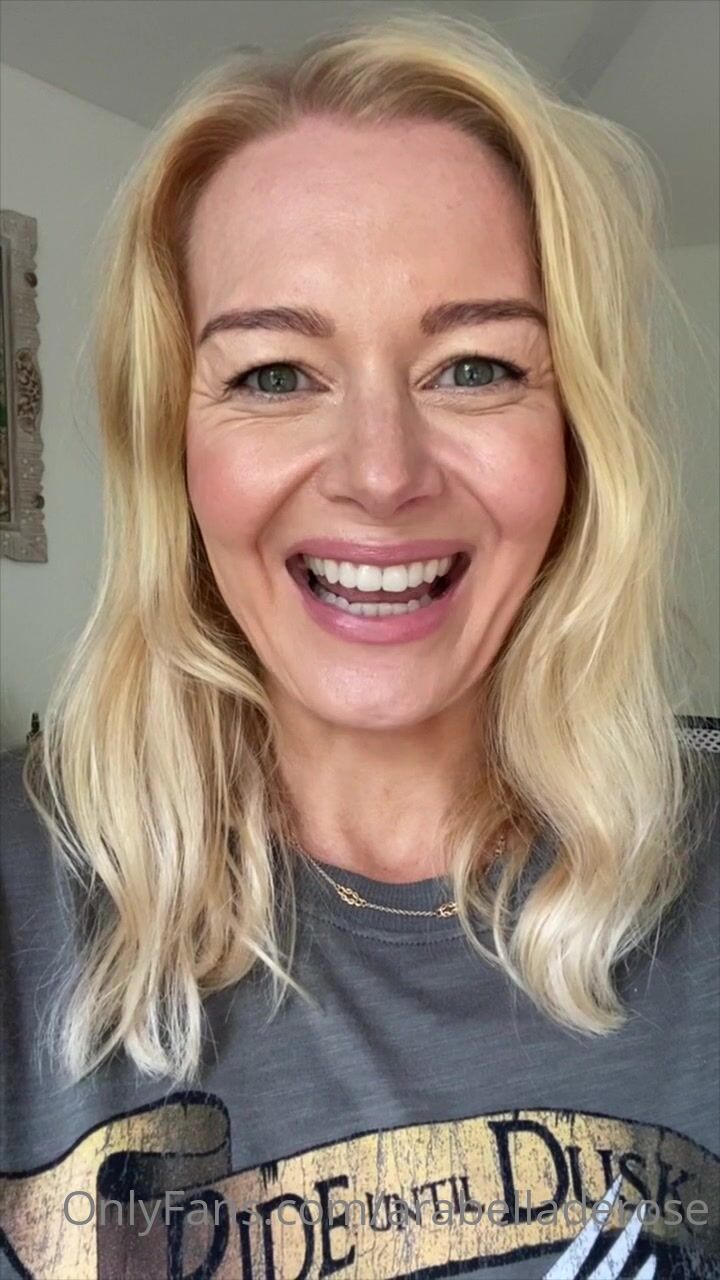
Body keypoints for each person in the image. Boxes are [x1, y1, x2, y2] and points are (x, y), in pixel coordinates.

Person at [1, 10, 718, 1280]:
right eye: (276, 375)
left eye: (475, 366)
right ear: (175, 448)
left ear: (578, 438)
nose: (382, 473)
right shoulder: (24, 907)